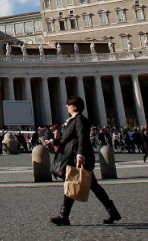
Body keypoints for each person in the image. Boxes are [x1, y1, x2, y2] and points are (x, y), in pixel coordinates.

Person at [47, 96, 121, 226]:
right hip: (76, 157)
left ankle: (64, 215)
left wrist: (80, 155)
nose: (66, 107)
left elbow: (82, 138)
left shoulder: (80, 119)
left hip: (78, 158)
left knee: (75, 184)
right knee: (89, 186)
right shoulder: (73, 120)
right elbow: (69, 139)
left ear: (74, 107)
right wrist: (53, 141)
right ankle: (112, 212)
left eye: (68, 105)